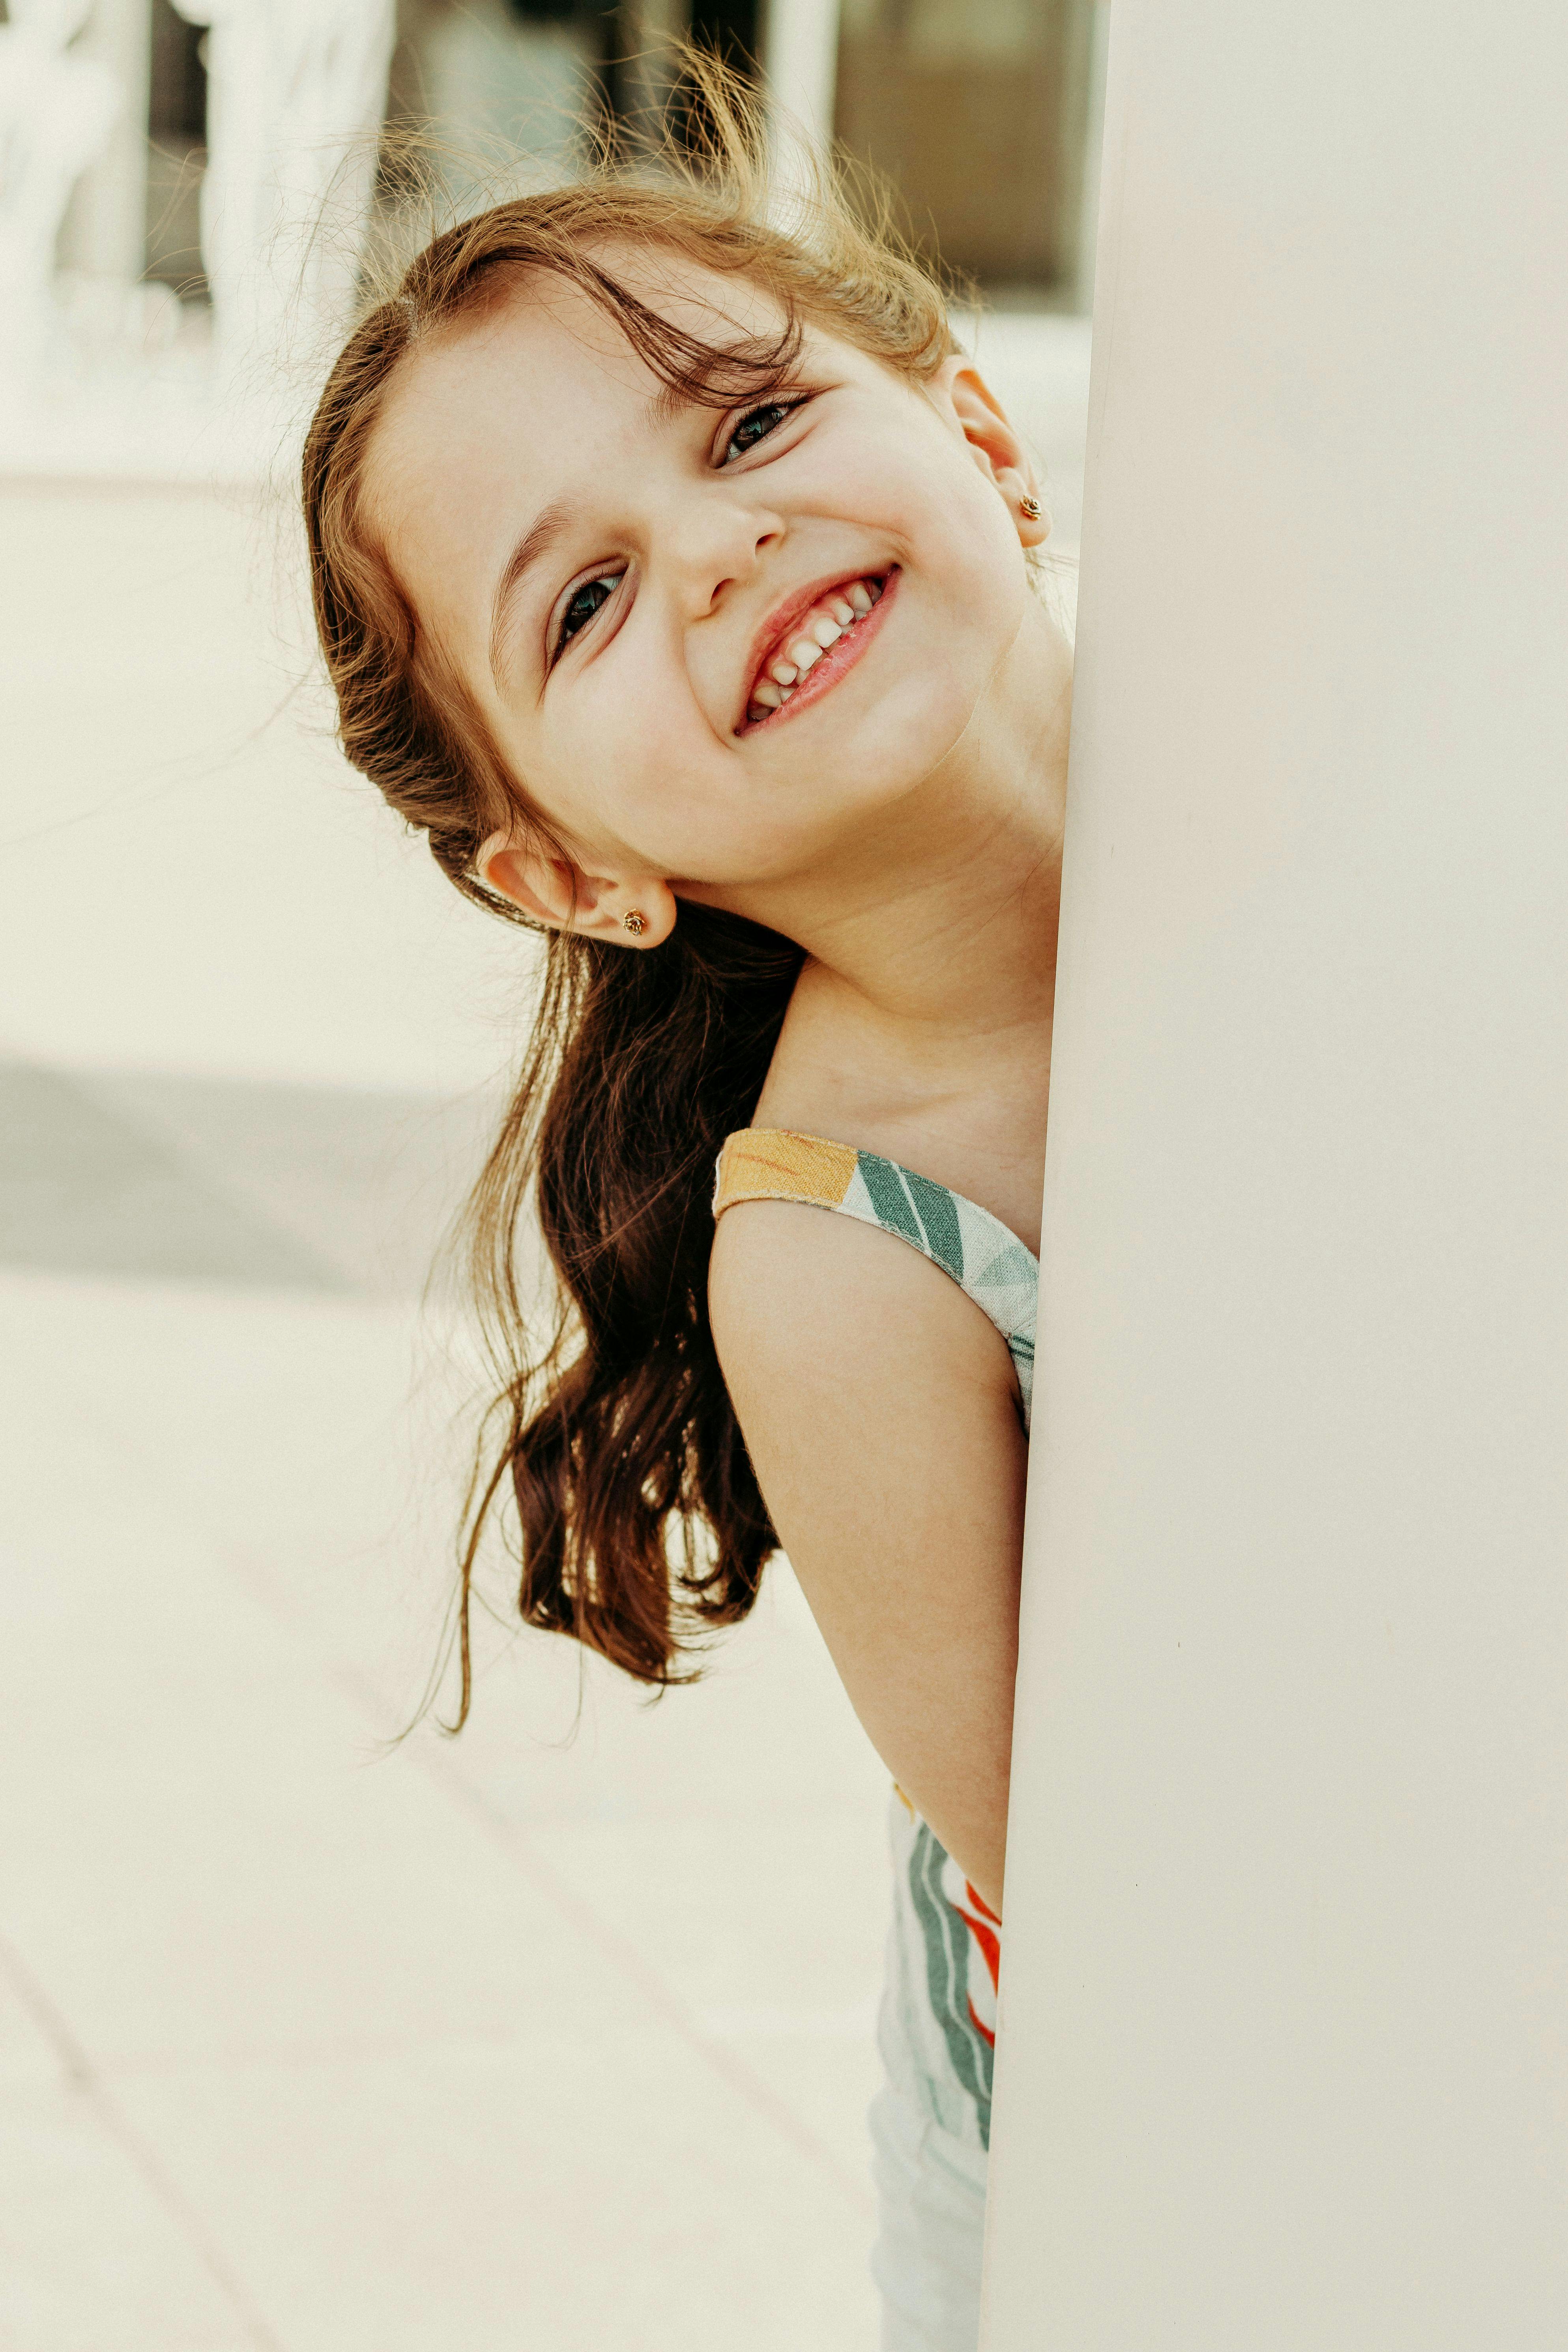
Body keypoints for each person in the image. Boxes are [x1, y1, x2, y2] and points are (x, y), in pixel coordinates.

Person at [301, 65, 1068, 2352]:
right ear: (567, 867)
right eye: (589, 599)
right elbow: (1103, 1901)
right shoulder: (842, 1255)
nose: (720, 544)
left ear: (978, 433)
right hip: (1140, 2144)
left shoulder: (1354, 784)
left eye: (743, 429)